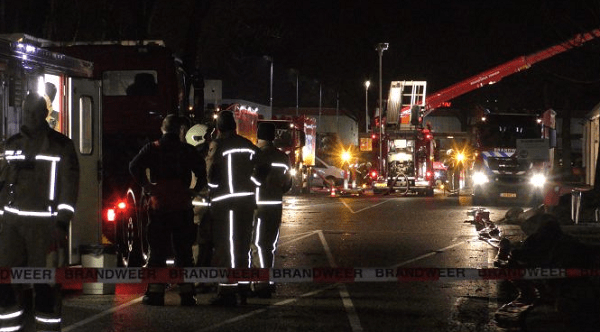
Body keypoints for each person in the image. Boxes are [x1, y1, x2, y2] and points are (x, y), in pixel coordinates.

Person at [0, 93, 79, 332]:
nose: (30, 117)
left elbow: (69, 187)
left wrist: (62, 223)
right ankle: (9, 327)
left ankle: (46, 328)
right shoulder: (12, 144)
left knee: (45, 283)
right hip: (12, 225)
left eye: (34, 112)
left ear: (45, 113)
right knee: (5, 280)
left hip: (45, 227)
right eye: (26, 112)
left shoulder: (61, 145)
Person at [129, 114, 206, 306]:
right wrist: (194, 191)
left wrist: (146, 185)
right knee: (184, 252)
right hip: (182, 206)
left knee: (157, 251)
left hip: (159, 207)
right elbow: (202, 172)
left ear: (162, 129)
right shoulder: (186, 150)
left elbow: (133, 166)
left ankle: (155, 294)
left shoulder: (152, 148)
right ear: (180, 131)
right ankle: (187, 295)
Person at [206, 110, 259, 306]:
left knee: (224, 246)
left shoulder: (217, 145)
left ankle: (226, 292)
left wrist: (212, 190)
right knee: (242, 243)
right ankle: (244, 288)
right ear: (234, 127)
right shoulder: (247, 145)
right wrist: (252, 182)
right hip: (246, 201)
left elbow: (211, 174)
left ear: (218, 129)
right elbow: (262, 166)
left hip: (224, 202)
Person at [249, 123, 292, 298]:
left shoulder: (256, 155)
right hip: (275, 204)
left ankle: (261, 283)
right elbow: (287, 184)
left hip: (258, 204)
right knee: (270, 244)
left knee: (257, 244)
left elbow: (250, 180)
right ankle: (268, 280)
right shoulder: (283, 157)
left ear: (258, 135)